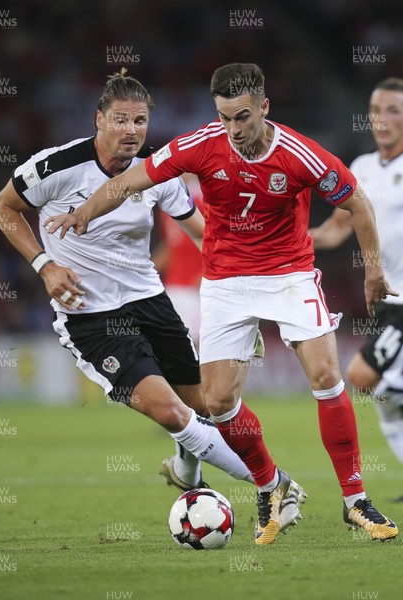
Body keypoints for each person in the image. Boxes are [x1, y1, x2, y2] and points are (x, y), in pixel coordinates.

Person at [45, 63, 399, 543]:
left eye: (243, 117)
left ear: (264, 108)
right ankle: (271, 485)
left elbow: (357, 202)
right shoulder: (200, 144)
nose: (233, 129)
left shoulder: (298, 154)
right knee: (216, 401)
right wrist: (84, 211)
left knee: (326, 375)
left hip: (288, 273)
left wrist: (373, 269)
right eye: (225, 117)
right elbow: (132, 181)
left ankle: (356, 500)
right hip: (226, 279)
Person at [0, 70, 305, 537]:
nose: (131, 131)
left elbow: (205, 237)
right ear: (99, 119)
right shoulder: (57, 166)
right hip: (90, 315)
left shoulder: (156, 173)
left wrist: (247, 290)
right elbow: (3, 207)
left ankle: (187, 473)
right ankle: (276, 484)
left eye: (139, 121)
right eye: (120, 120)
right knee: (173, 412)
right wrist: (44, 266)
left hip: (151, 302)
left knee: (207, 406)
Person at [309, 77, 403, 501]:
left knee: (361, 376)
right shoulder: (361, 168)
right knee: (386, 397)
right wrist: (290, 241)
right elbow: (336, 229)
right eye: (376, 110)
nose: (382, 119)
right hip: (386, 301)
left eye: (393, 111)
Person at [152, 174, 203, 345]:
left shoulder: (205, 201)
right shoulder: (168, 205)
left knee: (198, 347)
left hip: (195, 291)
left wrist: (206, 276)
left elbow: (220, 243)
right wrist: (143, 271)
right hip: (172, 288)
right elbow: (170, 247)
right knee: (171, 347)